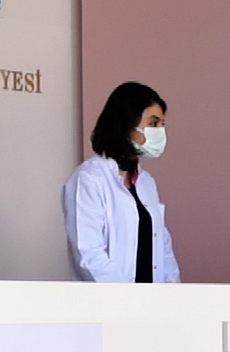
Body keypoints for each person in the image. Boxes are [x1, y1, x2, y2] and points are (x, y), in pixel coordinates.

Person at [62, 81, 179, 283]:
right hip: (110, 300)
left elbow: (163, 246)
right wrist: (127, 296)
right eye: (153, 124)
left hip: (155, 300)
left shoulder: (146, 183)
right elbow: (88, 254)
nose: (160, 131)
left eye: (162, 124)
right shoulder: (89, 179)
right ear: (126, 125)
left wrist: (172, 291)